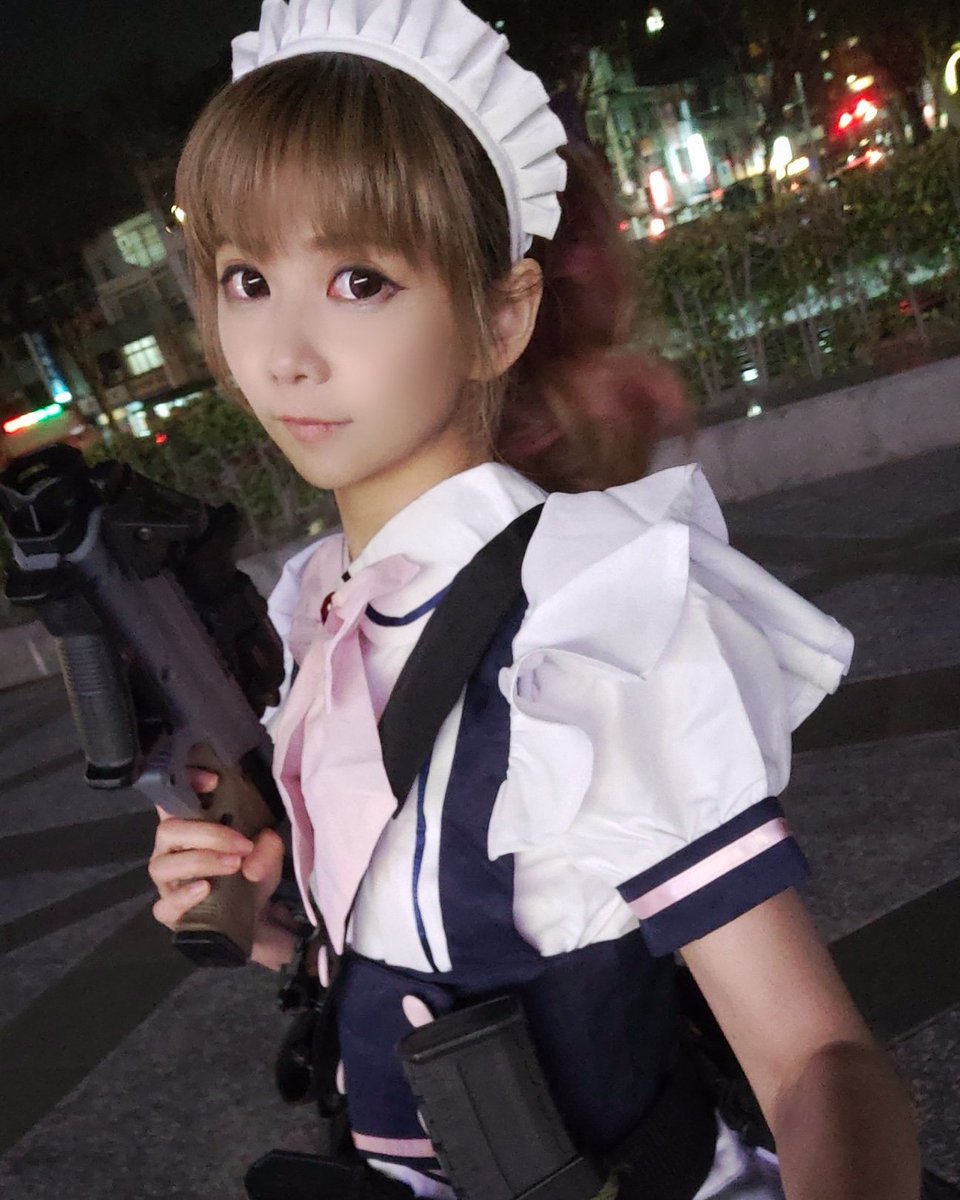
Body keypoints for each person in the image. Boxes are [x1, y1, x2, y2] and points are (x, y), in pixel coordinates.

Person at [148, 1, 922, 1197]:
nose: (285, 350)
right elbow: (411, 952)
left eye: (360, 280)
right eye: (248, 278)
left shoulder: (591, 614)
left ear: (500, 316)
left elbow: (815, 1058)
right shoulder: (319, 606)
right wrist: (263, 924)